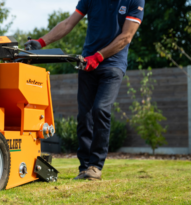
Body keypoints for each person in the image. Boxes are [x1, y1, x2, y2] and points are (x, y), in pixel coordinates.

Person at [25, 0, 145, 180]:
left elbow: (126, 37)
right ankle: (84, 167)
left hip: (112, 65)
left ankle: (95, 166)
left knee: (101, 109)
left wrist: (99, 56)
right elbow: (68, 23)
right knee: (84, 116)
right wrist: (41, 42)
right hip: (87, 64)